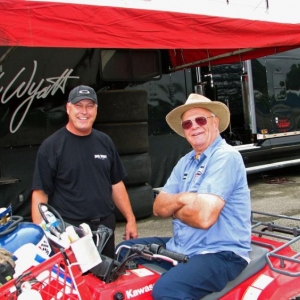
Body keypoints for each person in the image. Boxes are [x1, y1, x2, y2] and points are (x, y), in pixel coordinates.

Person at [117, 93, 251, 299]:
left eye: (200, 120)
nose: (194, 126)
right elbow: (158, 207)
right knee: (123, 249)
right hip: (182, 246)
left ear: (215, 123)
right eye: (187, 124)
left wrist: (174, 210)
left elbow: (203, 218)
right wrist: (184, 199)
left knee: (167, 290)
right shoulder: (186, 161)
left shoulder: (226, 157)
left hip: (221, 252)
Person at [31, 85, 138, 258]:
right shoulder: (51, 146)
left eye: (89, 106)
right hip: (70, 233)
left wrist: (130, 218)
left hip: (105, 228)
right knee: (75, 283)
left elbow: (116, 183)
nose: (84, 111)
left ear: (96, 110)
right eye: (78, 105)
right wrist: (43, 235)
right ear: (68, 108)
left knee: (106, 280)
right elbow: (40, 194)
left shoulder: (105, 141)